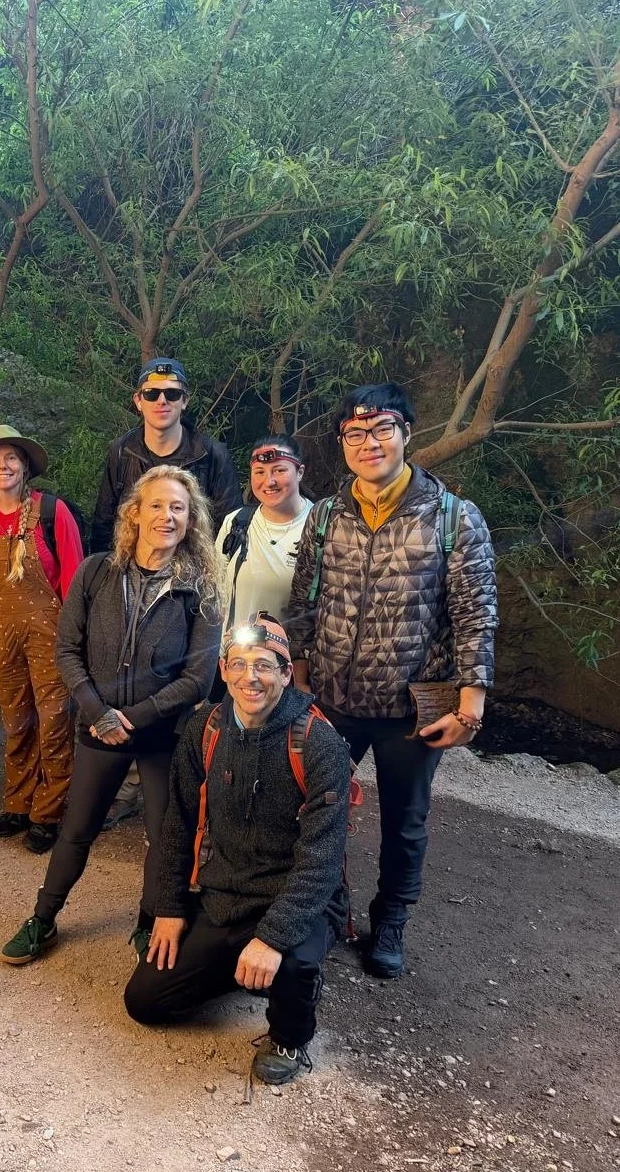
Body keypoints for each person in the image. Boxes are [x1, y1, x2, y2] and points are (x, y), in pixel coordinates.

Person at [287, 382, 497, 979]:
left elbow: (476, 613)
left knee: (405, 823)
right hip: (333, 699)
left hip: (413, 706)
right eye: (355, 433)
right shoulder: (326, 515)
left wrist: (471, 705)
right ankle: (327, 907)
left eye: (381, 429)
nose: (369, 443)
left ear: (406, 433)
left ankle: (391, 921)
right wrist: (299, 676)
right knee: (314, 809)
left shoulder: (453, 517)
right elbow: (304, 601)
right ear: (342, 443)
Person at [0, 465, 223, 966]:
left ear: (191, 520)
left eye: (179, 508)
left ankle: (149, 922)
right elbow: (67, 650)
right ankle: (43, 919)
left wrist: (133, 718)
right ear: (135, 514)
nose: (167, 516)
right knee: (77, 828)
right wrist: (98, 712)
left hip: (162, 733)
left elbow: (198, 679)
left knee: (163, 835)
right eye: (157, 505)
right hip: (98, 726)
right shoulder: (97, 572)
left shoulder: (202, 589)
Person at [125, 613, 352, 1087]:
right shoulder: (204, 729)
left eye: (265, 665)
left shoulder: (318, 743)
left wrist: (272, 940)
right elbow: (178, 823)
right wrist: (169, 907)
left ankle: (289, 1035)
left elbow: (322, 860)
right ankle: (242, 965)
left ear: (286, 674)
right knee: (146, 1002)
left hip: (296, 896)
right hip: (225, 893)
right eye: (240, 664)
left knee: (294, 962)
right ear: (224, 670)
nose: (251, 677)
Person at [90, 357, 242, 828]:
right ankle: (126, 786)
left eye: (171, 394)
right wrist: (101, 585)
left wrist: (210, 585)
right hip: (132, 576)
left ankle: (186, 801)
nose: (162, 401)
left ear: (184, 401)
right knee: (129, 673)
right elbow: (104, 519)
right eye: (152, 393)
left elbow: (229, 523)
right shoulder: (121, 452)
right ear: (137, 400)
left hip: (191, 584)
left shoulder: (210, 453)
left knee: (189, 686)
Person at [0, 424, 84, 853]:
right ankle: (18, 804)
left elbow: (75, 581)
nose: (3, 465)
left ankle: (49, 814)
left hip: (53, 635)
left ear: (25, 465)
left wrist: (76, 639)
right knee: (16, 722)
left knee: (54, 723)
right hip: (4, 635)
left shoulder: (52, 512)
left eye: (11, 457)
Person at [216, 435, 313, 633]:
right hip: (234, 649)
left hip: (291, 650)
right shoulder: (236, 522)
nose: (269, 481)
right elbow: (215, 591)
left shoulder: (320, 526)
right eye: (259, 472)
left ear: (300, 472)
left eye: (279, 470)